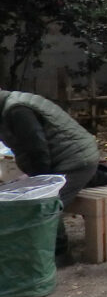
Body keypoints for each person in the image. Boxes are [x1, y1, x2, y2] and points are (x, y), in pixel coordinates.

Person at [0, 89, 100, 266]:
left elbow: (38, 151)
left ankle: (59, 253)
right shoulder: (10, 106)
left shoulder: (17, 110)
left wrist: (42, 187)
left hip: (75, 161)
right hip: (64, 158)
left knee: (47, 204)